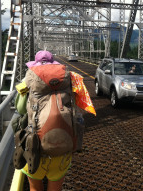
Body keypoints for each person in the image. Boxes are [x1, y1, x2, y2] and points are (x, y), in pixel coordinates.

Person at [15, 50, 96, 191]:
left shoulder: (28, 78)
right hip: (62, 148)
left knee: (35, 188)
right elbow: (77, 104)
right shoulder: (69, 77)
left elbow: (21, 109)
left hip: (34, 147)